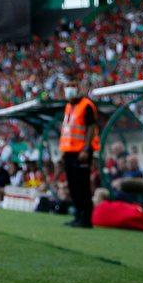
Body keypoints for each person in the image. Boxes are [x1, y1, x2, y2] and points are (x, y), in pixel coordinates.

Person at [58, 82, 101, 228]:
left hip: (81, 152)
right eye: (67, 85)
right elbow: (67, 131)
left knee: (82, 185)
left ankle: (86, 218)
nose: (69, 88)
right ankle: (78, 215)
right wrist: (63, 151)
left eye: (72, 85)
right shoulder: (69, 107)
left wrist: (86, 149)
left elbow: (90, 128)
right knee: (72, 185)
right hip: (69, 151)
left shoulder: (86, 105)